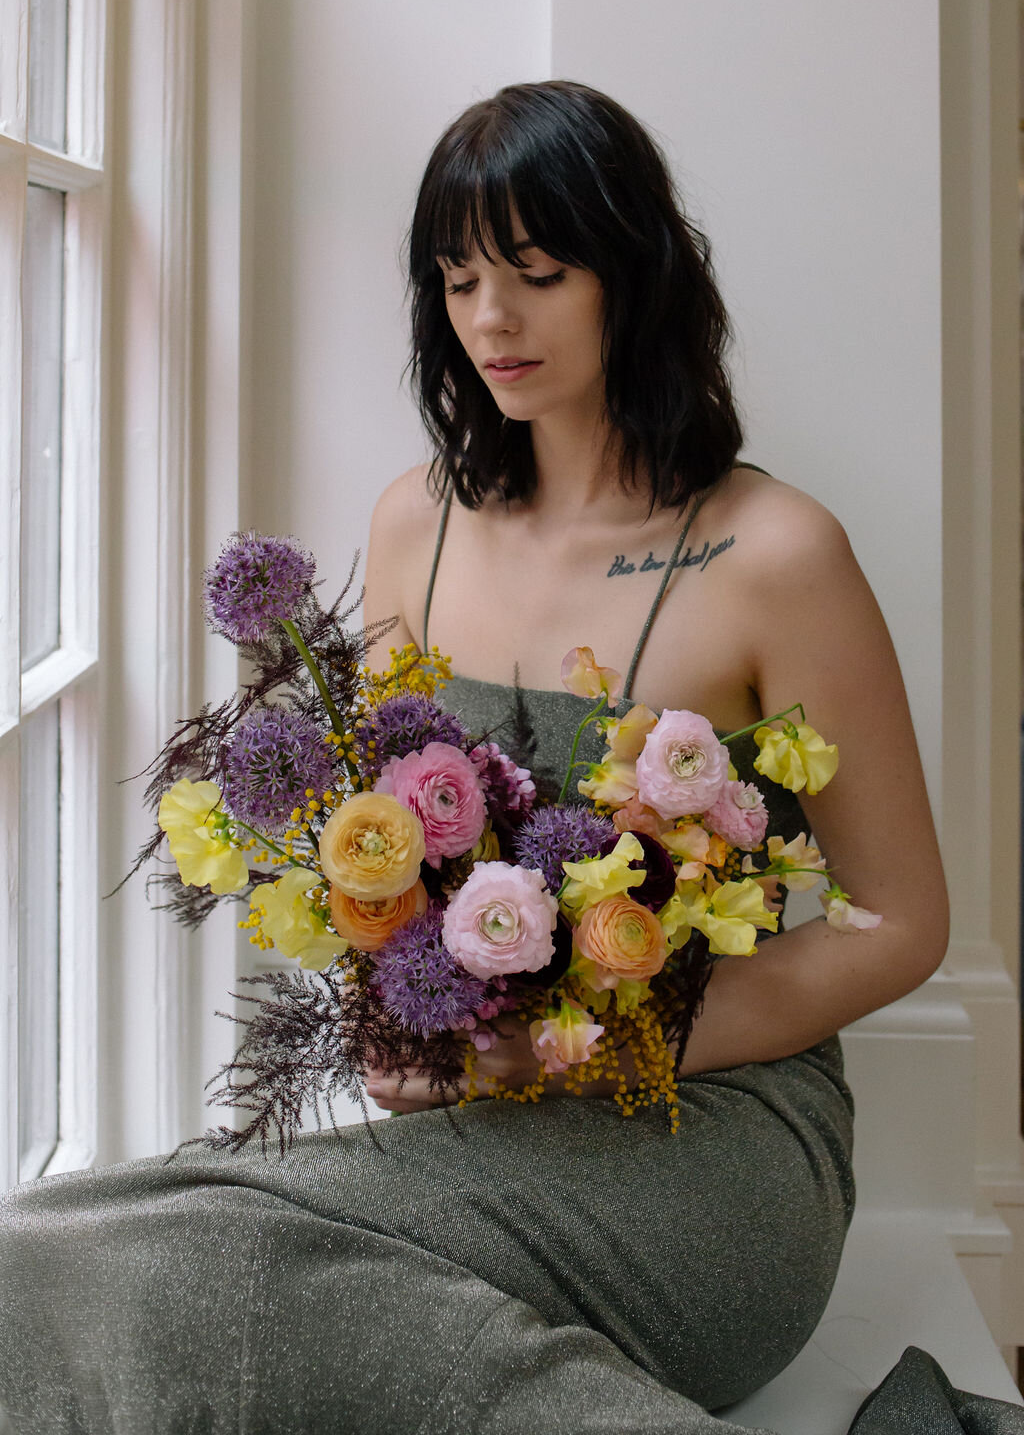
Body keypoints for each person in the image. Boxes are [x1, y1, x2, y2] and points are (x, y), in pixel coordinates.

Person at [0, 80, 1020, 1434]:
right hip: (476, 1129)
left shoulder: (779, 556)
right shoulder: (416, 521)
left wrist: (592, 1045)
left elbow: (901, 924)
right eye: (460, 275)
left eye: (537, 273)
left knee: (196, 1268)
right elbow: (386, 844)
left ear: (633, 276)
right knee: (68, 1250)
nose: (491, 319)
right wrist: (399, 1014)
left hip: (715, 1145)